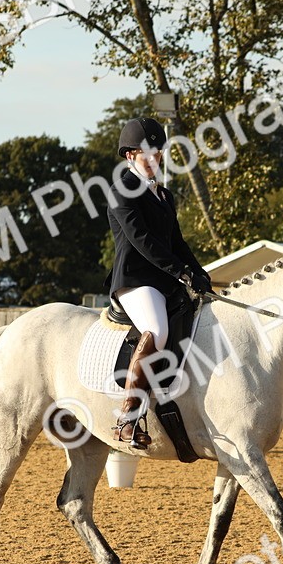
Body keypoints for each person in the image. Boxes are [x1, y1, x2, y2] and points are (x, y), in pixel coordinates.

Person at [104, 117, 213, 449]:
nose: (155, 159)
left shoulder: (164, 195)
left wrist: (199, 272)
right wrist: (181, 272)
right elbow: (142, 241)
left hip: (164, 280)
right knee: (158, 330)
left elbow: (176, 242)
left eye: (159, 153)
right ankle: (127, 418)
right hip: (135, 280)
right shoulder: (121, 189)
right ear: (130, 155)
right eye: (148, 154)